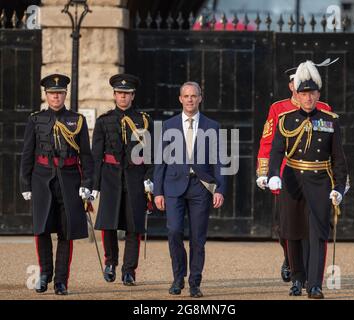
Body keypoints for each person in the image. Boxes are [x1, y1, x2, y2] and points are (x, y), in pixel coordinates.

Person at [268, 61, 348, 299]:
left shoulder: (331, 120)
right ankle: (297, 279)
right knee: (292, 232)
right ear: (297, 94)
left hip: (320, 181)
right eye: (304, 93)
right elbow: (276, 151)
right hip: (292, 181)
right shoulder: (285, 120)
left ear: (318, 94)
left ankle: (315, 284)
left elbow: (339, 158)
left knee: (318, 234)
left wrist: (340, 187)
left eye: (312, 93)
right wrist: (273, 174)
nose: (308, 98)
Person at [19, 74, 94, 295]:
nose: (56, 97)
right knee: (41, 229)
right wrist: (25, 183)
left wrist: (87, 182)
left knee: (66, 231)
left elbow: (86, 156)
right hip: (41, 179)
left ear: (65, 94)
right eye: (52, 93)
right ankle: (44, 275)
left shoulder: (77, 120)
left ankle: (61, 280)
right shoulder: (35, 119)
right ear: (46, 95)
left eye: (60, 93)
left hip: (69, 178)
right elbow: (27, 153)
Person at [256, 68, 332, 283]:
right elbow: (268, 142)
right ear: (292, 86)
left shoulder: (324, 109)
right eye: (295, 83)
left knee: (312, 227)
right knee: (285, 228)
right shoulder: (278, 108)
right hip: (285, 176)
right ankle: (290, 259)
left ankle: (307, 275)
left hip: (315, 177)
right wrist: (264, 172)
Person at [153, 81, 226, 298]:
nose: (190, 99)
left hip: (201, 187)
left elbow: (220, 161)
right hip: (173, 186)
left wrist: (219, 188)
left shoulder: (212, 126)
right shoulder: (168, 125)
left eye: (194, 95)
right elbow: (160, 160)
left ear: (200, 98)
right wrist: (158, 191)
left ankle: (195, 282)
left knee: (198, 238)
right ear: (180, 99)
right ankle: (178, 278)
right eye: (186, 96)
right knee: (174, 231)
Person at [92, 73, 153, 286]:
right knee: (108, 224)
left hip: (135, 177)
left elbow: (150, 154)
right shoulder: (104, 120)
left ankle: (129, 270)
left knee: (133, 226)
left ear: (133, 95)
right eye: (119, 93)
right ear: (114, 95)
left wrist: (149, 177)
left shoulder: (144, 120)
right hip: (110, 176)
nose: (123, 97)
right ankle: (110, 262)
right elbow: (96, 155)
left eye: (127, 94)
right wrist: (94, 184)